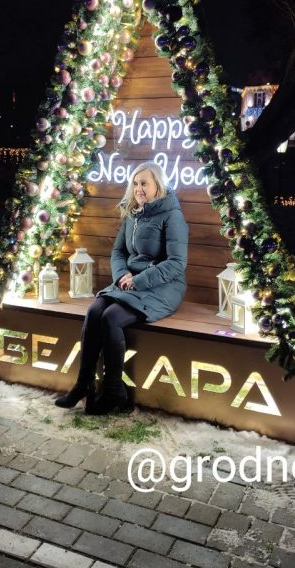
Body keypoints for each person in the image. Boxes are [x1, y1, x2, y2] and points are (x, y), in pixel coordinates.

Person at [55, 161, 189, 414]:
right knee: (94, 311)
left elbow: (176, 264)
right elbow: (118, 252)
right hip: (130, 281)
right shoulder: (132, 213)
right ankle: (84, 384)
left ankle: (114, 389)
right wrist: (122, 275)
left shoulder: (172, 215)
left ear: (158, 184)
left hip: (163, 287)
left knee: (111, 317)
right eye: (135, 183)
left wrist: (139, 280)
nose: (138, 188)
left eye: (144, 183)